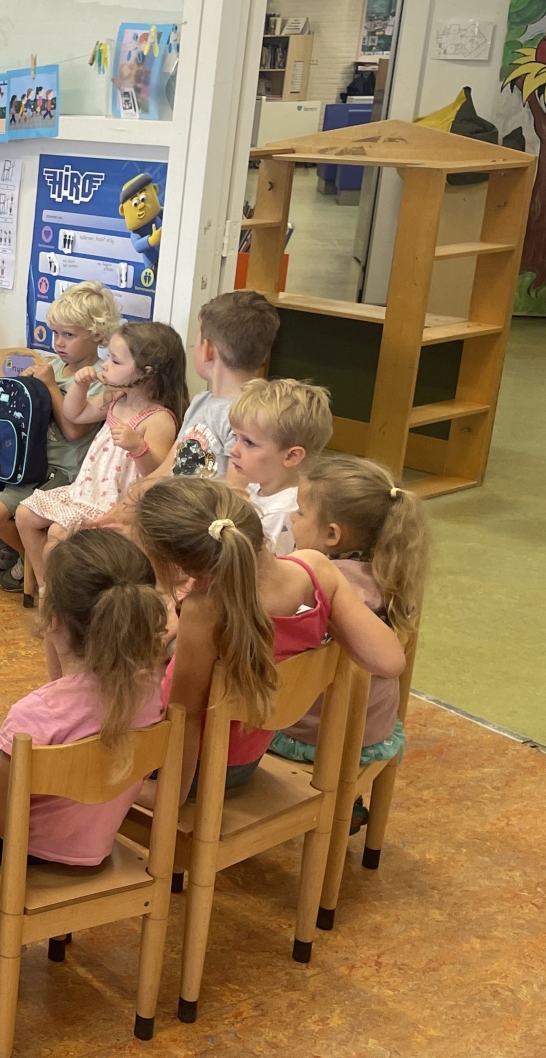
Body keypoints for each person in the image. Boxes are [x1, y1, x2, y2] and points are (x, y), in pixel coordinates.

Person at [134, 478, 404, 791]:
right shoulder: (313, 569)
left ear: (177, 565)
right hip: (245, 759)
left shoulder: (203, 611)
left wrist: (167, 797)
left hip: (195, 771)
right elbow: (390, 661)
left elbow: (185, 718)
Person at [0, 528, 168, 867]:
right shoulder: (151, 694)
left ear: (52, 619)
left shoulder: (35, 714)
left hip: (23, 851)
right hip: (91, 841)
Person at [0, 281, 121, 595]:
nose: (59, 343)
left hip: (61, 470)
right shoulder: (51, 366)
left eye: (69, 335)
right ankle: (10, 547)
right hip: (23, 462)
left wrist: (50, 388)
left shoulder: (97, 379)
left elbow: (72, 430)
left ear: (96, 334)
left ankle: (27, 556)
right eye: (55, 333)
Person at [272, 456, 428, 774]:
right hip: (371, 732)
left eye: (301, 512)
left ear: (332, 534)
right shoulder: (391, 571)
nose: (291, 517)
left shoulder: (320, 586)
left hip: (313, 737)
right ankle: (348, 804)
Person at [16, 321, 186, 592]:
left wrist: (137, 448)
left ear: (147, 372)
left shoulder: (159, 419)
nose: (105, 366)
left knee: (57, 536)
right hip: (85, 491)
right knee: (25, 515)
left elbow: (156, 475)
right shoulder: (117, 397)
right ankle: (46, 587)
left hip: (114, 503)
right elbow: (75, 414)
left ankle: (64, 597)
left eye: (115, 361)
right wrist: (79, 387)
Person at [167, 290, 278, 480]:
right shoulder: (201, 401)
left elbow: (235, 494)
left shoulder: (250, 416)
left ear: (208, 349)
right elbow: (168, 467)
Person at [227, 377, 333, 555]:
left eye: (249, 443)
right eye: (235, 437)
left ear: (291, 456)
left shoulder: (285, 513)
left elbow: (255, 568)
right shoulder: (255, 487)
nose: (233, 450)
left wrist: (234, 496)